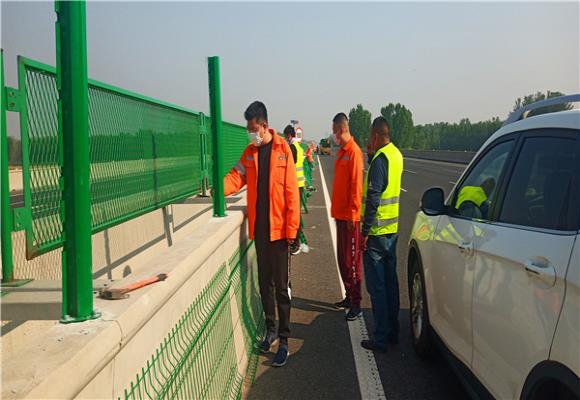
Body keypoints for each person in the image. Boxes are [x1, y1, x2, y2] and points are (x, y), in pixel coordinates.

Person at [224, 101, 300, 367]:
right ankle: (270, 330)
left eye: (252, 128)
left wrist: (292, 230)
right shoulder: (250, 153)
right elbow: (235, 177)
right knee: (264, 284)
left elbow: (292, 192)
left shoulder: (282, 150)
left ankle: (285, 340)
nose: (250, 132)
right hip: (260, 231)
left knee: (281, 288)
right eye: (248, 128)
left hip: (280, 232)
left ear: (264, 125)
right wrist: (216, 189)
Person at [360, 116, 403, 353]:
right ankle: (393, 331)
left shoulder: (380, 159)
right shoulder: (396, 154)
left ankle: (380, 338)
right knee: (390, 284)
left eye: (370, 136)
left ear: (376, 136)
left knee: (377, 288)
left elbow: (374, 197)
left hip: (376, 232)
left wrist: (364, 231)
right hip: (392, 231)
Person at [330, 113, 364, 321]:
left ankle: (356, 303)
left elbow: (356, 186)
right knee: (343, 260)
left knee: (352, 262)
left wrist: (353, 213)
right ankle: (349, 296)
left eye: (334, 131)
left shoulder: (354, 153)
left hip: (350, 218)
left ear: (342, 129)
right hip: (340, 215)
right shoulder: (342, 152)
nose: (333, 135)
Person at [283, 125, 310, 254]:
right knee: (295, 214)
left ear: (289, 135)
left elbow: (289, 166)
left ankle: (296, 244)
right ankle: (296, 242)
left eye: (285, 136)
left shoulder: (292, 147)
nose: (285, 139)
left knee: (294, 215)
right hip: (299, 184)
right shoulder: (298, 147)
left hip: (294, 185)